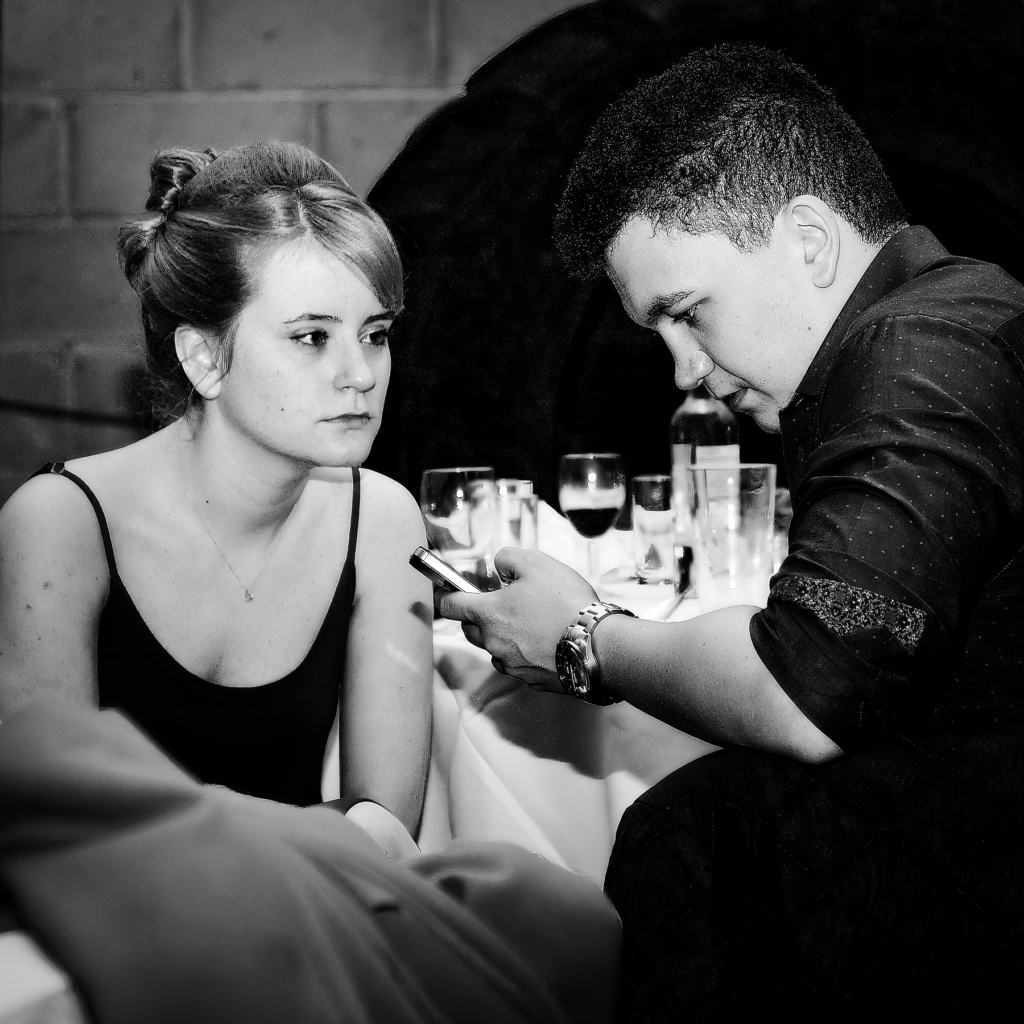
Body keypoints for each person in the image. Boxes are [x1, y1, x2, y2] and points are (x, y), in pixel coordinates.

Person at [439, 43, 1024, 1018]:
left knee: (692, 837)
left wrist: (586, 638)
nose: (682, 372)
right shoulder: (935, 324)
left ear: (807, 241)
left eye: (687, 313)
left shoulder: (926, 345)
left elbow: (805, 697)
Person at [0, 141, 433, 857]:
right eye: (312, 337)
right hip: (100, 920)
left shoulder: (381, 521)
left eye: (377, 334)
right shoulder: (61, 521)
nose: (361, 374)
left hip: (306, 908)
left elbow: (386, 821)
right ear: (204, 357)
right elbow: (55, 830)